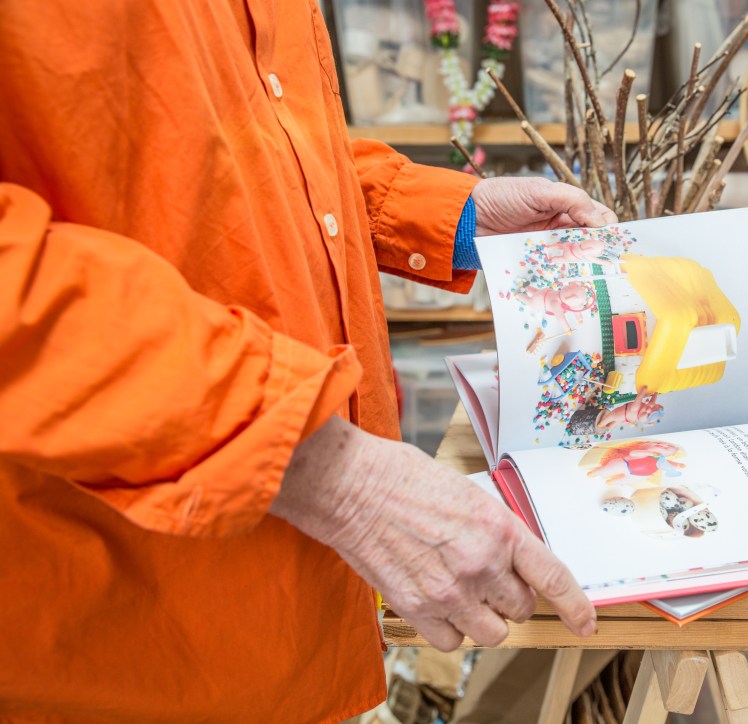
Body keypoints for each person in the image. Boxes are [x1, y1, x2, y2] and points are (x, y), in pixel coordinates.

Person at [0, 2, 617, 721]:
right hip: (118, 638)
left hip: (292, 608)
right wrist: (330, 473)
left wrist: (446, 214)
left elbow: (238, 141)